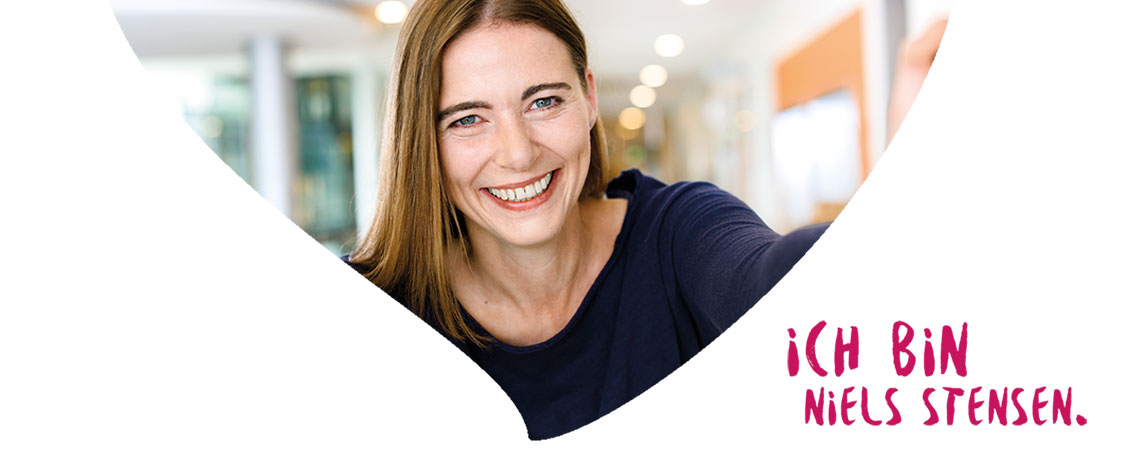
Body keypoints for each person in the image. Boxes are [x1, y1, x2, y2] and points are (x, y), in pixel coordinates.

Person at [346, 0, 828, 440]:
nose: (518, 154)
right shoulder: (371, 308)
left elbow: (770, 278)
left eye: (544, 102)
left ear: (589, 97)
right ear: (422, 138)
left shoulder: (679, 231)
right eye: (467, 119)